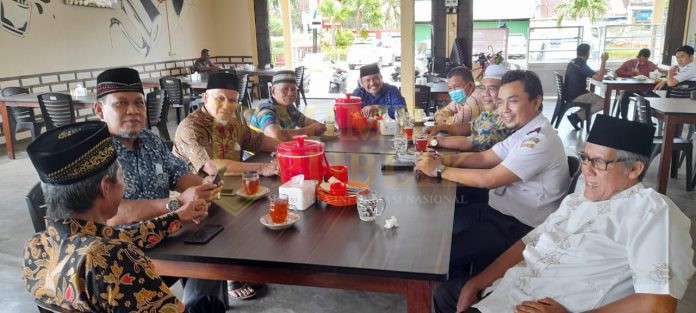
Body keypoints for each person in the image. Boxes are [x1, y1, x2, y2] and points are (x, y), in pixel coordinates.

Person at [433, 115, 695, 313]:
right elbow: (529, 242)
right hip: (506, 291)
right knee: (446, 294)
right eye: (586, 158)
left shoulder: (652, 213)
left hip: (553, 306)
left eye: (599, 163)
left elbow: (658, 303)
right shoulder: (578, 199)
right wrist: (477, 283)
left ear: (635, 169)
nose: (586, 170)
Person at [22, 121, 226, 313]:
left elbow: (118, 235)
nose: (124, 185)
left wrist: (176, 218)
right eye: (121, 177)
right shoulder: (112, 259)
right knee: (208, 304)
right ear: (105, 187)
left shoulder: (35, 248)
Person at [93, 68, 232, 305]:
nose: (133, 111)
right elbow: (112, 216)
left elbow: (180, 175)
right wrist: (176, 203)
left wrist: (204, 189)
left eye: (139, 103)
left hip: (166, 234)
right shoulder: (94, 153)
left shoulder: (150, 140)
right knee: (204, 254)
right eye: (121, 104)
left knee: (213, 239)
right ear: (99, 110)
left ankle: (201, 305)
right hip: (119, 254)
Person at [415, 70, 570, 278]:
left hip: (518, 228)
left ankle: (453, 288)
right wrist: (438, 159)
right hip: (497, 211)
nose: (503, 109)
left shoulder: (539, 139)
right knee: (438, 226)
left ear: (536, 102)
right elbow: (484, 158)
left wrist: (439, 170)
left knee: (438, 253)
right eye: (501, 102)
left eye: (512, 102)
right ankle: (457, 277)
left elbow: (490, 179)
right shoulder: (523, 132)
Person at [174, 72, 281, 177]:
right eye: (220, 99)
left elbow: (260, 142)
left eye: (232, 100)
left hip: (230, 183)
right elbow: (211, 166)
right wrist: (261, 168)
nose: (226, 106)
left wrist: (289, 148)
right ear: (205, 98)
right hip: (195, 190)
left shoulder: (233, 123)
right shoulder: (190, 127)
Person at [427, 65, 512, 152]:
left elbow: (472, 143)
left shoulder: (504, 116)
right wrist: (441, 128)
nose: (485, 94)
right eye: (482, 88)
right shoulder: (490, 113)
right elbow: (471, 127)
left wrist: (434, 141)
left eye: (492, 89)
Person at [250, 70, 327, 140]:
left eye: (293, 89)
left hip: (278, 152)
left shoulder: (290, 108)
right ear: (272, 91)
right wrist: (309, 130)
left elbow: (305, 121)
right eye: (285, 89)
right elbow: (276, 136)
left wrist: (324, 127)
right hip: (260, 155)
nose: (290, 94)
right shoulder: (265, 111)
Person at [565, 44, 609, 130]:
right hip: (576, 96)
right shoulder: (582, 65)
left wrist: (598, 71)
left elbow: (588, 73)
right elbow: (599, 78)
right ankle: (576, 117)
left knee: (592, 96)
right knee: (604, 103)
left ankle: (576, 116)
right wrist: (603, 62)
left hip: (569, 94)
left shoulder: (573, 62)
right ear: (587, 53)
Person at [615, 48, 659, 119]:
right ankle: (624, 119)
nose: (642, 62)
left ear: (648, 58)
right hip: (628, 90)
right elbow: (617, 72)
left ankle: (647, 119)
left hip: (644, 90)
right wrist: (630, 73)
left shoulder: (650, 65)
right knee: (624, 97)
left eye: (645, 60)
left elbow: (657, 72)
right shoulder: (630, 63)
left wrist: (655, 73)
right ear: (637, 57)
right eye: (640, 60)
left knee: (657, 99)